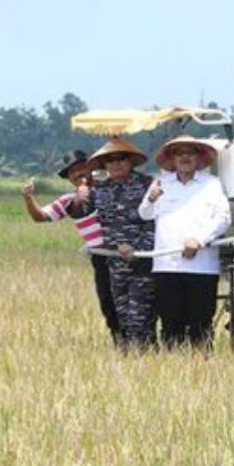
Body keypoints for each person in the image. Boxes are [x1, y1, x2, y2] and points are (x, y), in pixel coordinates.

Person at [138, 135, 231, 348]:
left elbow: (223, 218)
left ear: (199, 158)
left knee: (200, 324)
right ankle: (172, 371)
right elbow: (144, 214)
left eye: (190, 152)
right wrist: (151, 198)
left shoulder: (211, 184)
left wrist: (199, 240)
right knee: (171, 325)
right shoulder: (161, 183)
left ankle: (202, 369)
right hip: (166, 265)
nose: (185, 157)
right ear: (172, 159)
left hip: (202, 267)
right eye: (179, 153)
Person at [21, 150, 120, 342]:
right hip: (101, 257)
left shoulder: (111, 188)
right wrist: (28, 197)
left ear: (92, 167)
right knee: (108, 302)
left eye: (82, 167)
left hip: (125, 252)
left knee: (135, 301)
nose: (78, 174)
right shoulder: (68, 201)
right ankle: (121, 344)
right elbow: (40, 217)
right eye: (72, 172)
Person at [89, 138, 157, 347]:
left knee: (140, 316)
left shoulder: (148, 186)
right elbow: (88, 219)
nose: (116, 164)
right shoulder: (98, 191)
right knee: (123, 317)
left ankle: (145, 356)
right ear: (104, 165)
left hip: (142, 262)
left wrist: (138, 248)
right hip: (114, 264)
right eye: (111, 160)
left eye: (122, 159)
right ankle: (132, 359)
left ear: (131, 162)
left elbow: (155, 223)